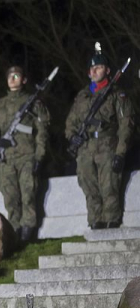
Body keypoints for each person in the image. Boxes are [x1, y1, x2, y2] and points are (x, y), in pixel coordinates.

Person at [65, 43, 133, 229]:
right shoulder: (82, 96)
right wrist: (73, 138)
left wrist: (120, 152)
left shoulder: (116, 95)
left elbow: (125, 125)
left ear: (108, 70)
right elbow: (71, 123)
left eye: (99, 67)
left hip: (107, 145)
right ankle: (95, 221)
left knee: (109, 187)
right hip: (86, 149)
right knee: (89, 187)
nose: (95, 71)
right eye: (92, 68)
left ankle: (111, 221)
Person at [0, 66, 50, 242]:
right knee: (10, 197)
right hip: (7, 158)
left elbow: (42, 131)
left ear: (24, 80)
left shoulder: (33, 102)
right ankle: (15, 232)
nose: (12, 79)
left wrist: (39, 155)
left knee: (28, 194)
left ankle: (28, 233)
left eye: (16, 76)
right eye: (10, 76)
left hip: (27, 155)